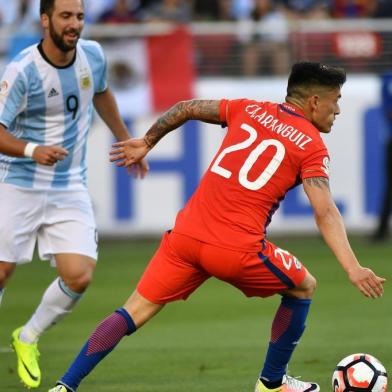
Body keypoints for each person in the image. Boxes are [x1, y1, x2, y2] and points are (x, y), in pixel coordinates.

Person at [49, 62, 385, 392]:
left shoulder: (248, 109)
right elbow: (325, 212)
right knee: (304, 286)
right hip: (235, 248)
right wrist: (352, 267)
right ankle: (272, 383)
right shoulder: (311, 144)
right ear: (314, 102)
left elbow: (186, 108)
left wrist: (147, 141)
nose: (337, 109)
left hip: (185, 238)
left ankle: (66, 385)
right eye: (335, 99)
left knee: (132, 311)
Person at [0, 0, 148, 389]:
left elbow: (101, 93)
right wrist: (33, 150)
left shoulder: (93, 56)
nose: (74, 25)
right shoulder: (22, 70)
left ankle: (27, 337)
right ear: (45, 20)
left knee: (79, 276)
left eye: (79, 17)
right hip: (17, 183)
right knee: (1, 271)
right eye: (66, 16)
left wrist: (125, 139)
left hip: (68, 185)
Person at [372, 71, 392, 241]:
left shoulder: (386, 80)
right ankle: (381, 230)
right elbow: (388, 111)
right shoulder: (387, 80)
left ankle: (381, 231)